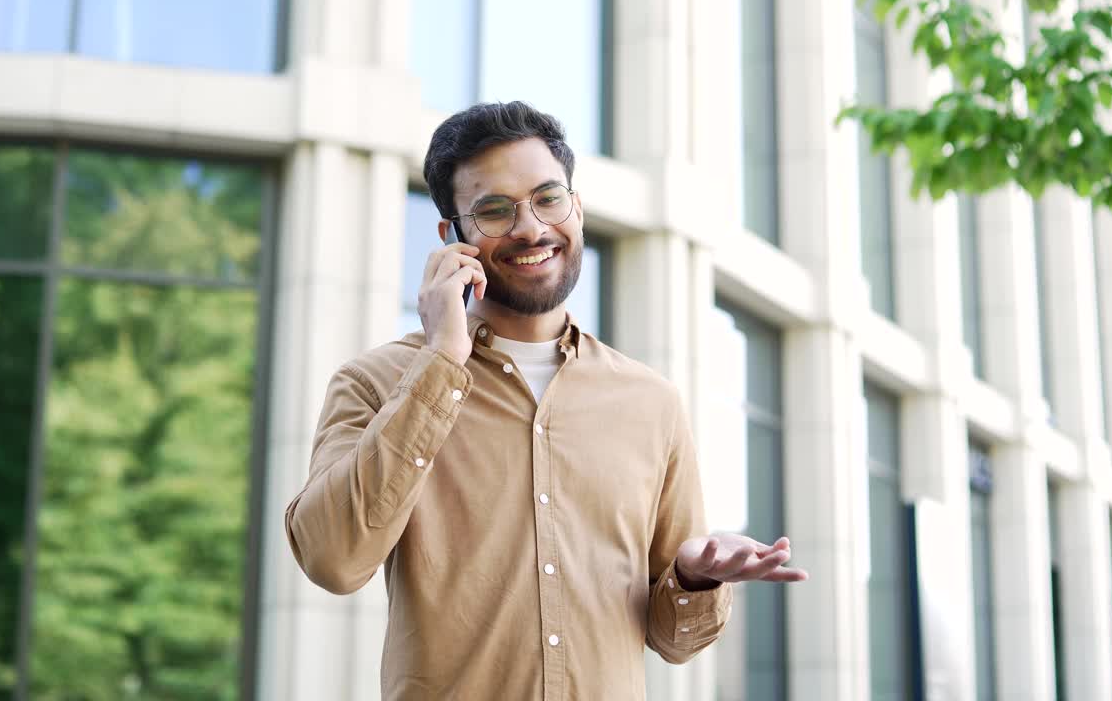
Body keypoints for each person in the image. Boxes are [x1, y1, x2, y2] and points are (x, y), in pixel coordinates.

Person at [285, 101, 808, 699]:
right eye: (493, 211)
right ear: (451, 237)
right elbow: (332, 560)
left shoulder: (650, 402)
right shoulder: (375, 383)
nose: (531, 227)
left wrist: (693, 577)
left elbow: (674, 640)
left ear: (576, 208)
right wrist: (440, 363)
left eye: (548, 198)